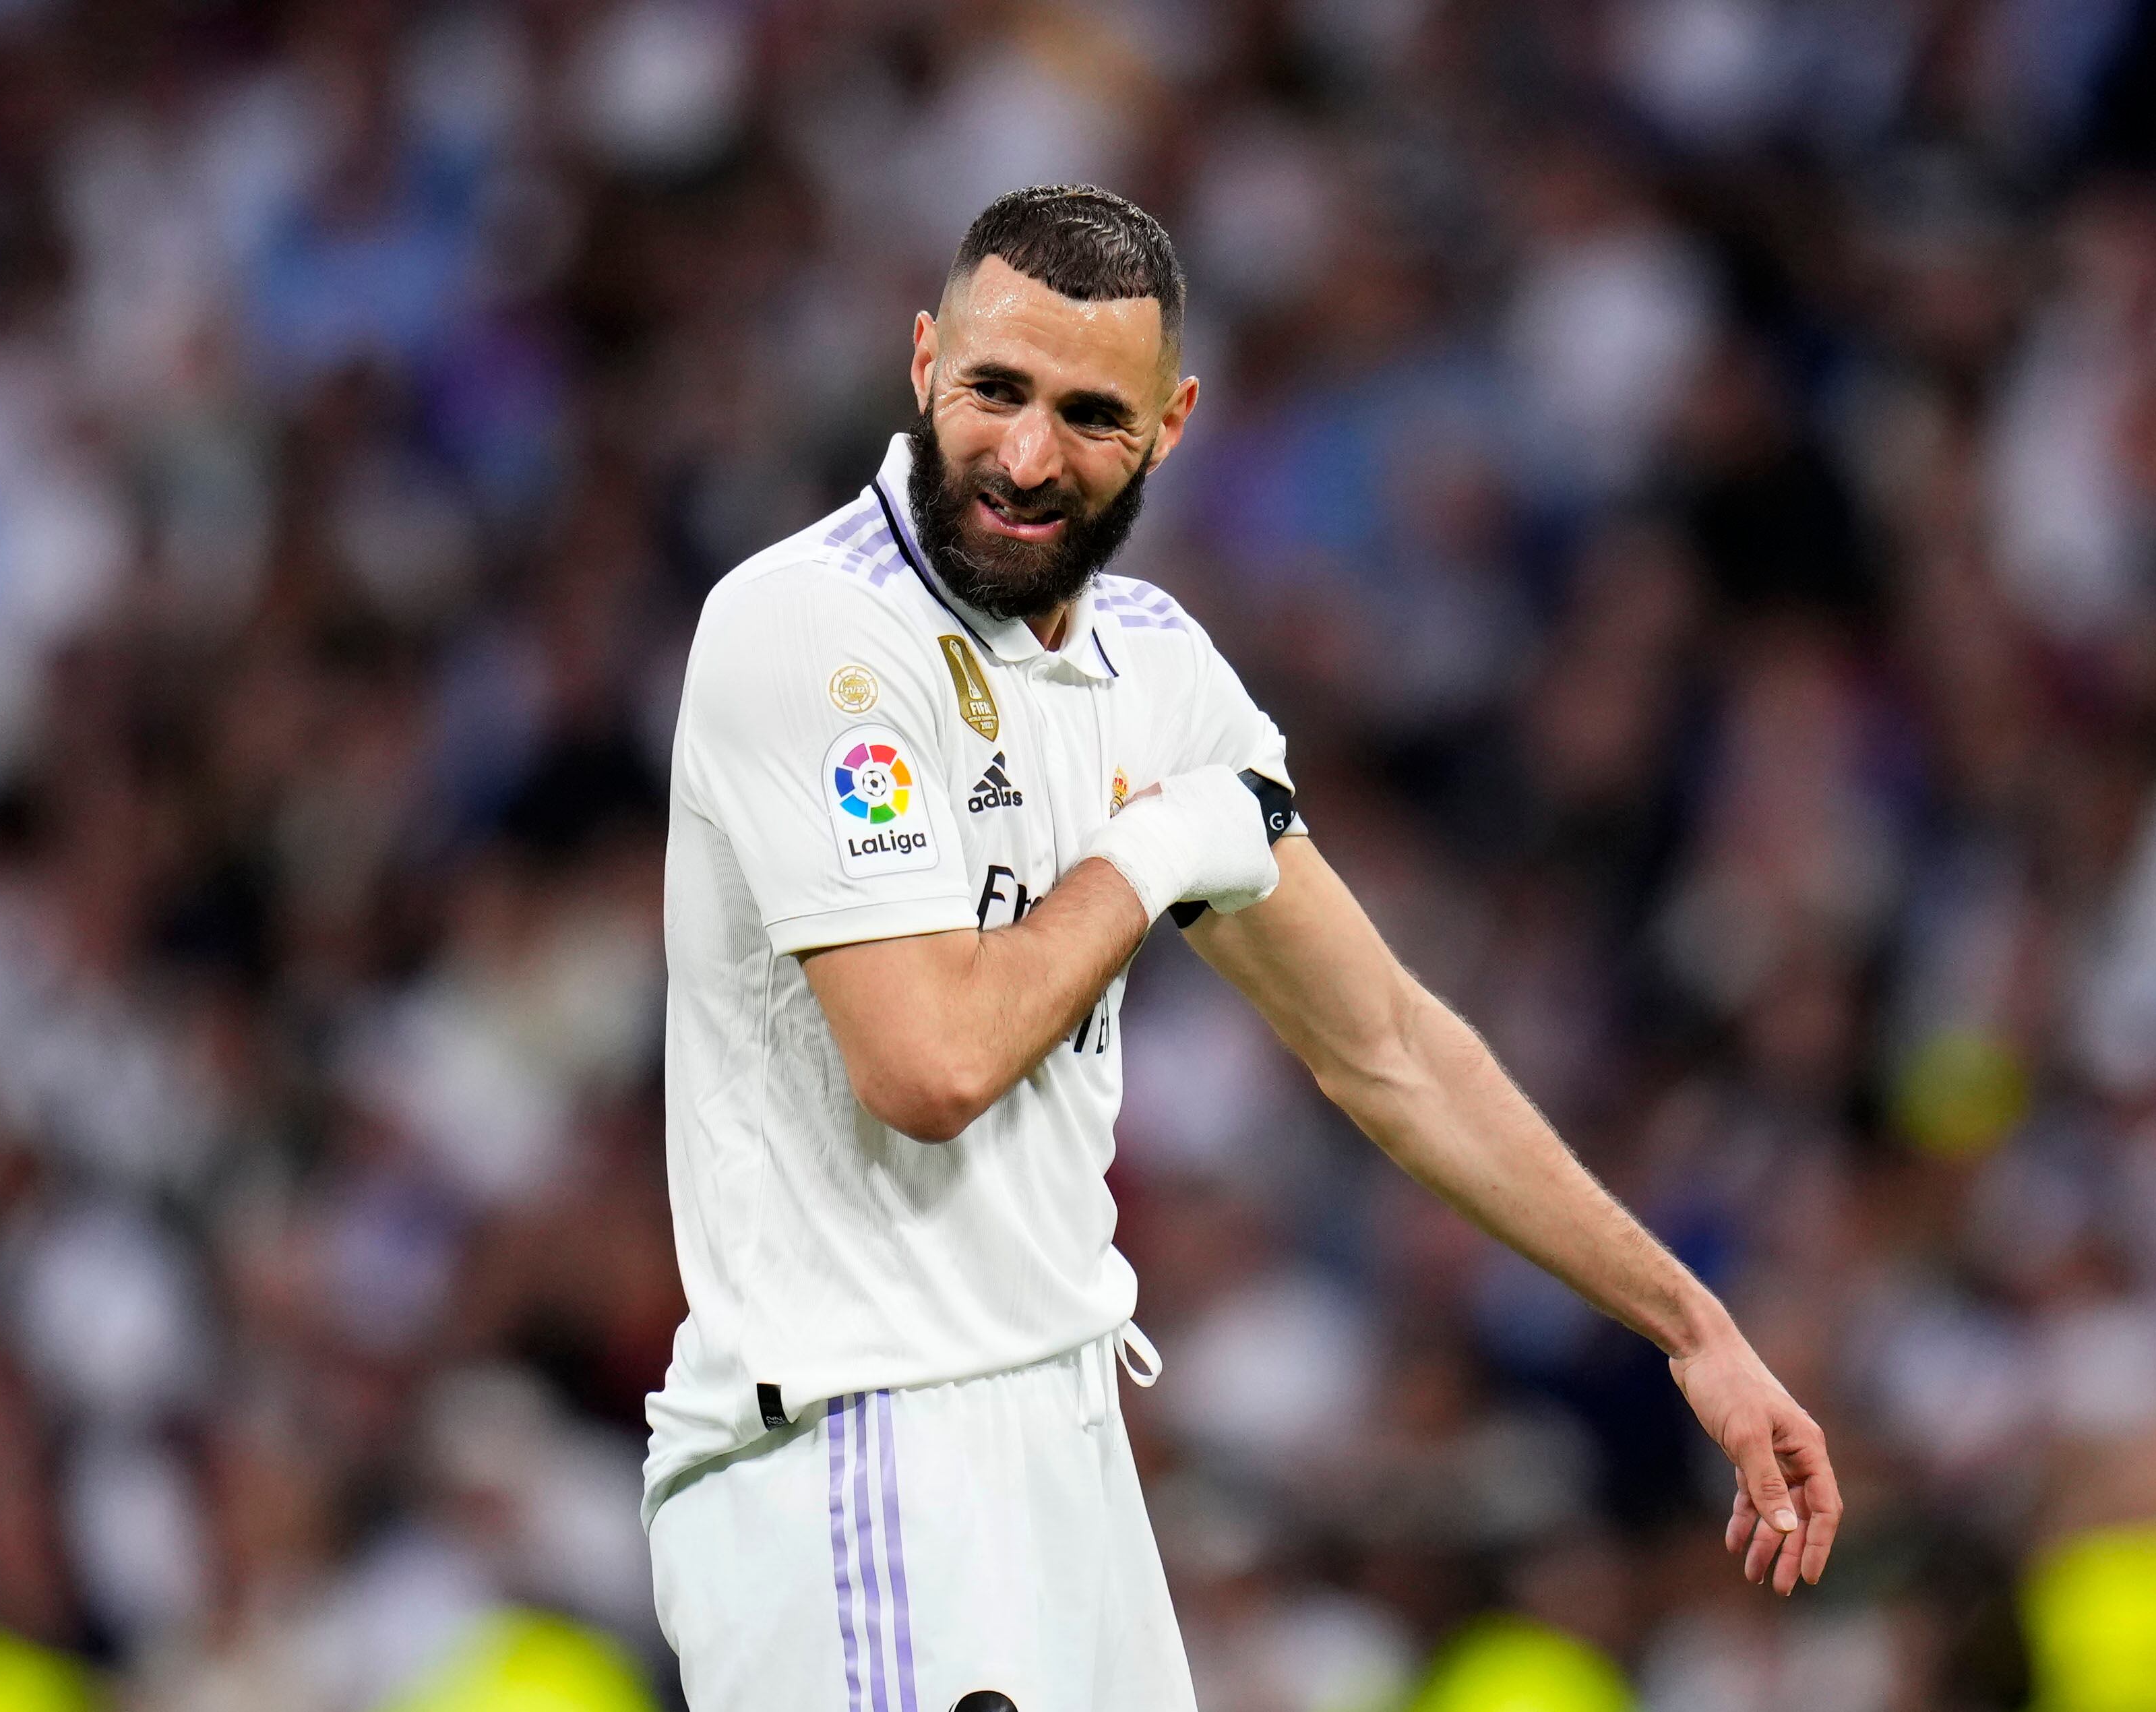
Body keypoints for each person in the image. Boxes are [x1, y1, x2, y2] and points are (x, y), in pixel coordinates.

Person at [642, 184, 1840, 1712]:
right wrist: (1152, 853)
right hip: (851, 1456)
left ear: (1171, 423)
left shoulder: (1155, 668)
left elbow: (1386, 1044)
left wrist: (1692, 1324)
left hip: (1067, 1451)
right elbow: (929, 1064)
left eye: (1088, 413)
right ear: (925, 358)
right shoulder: (810, 632)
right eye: (994, 390)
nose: (1024, 454)